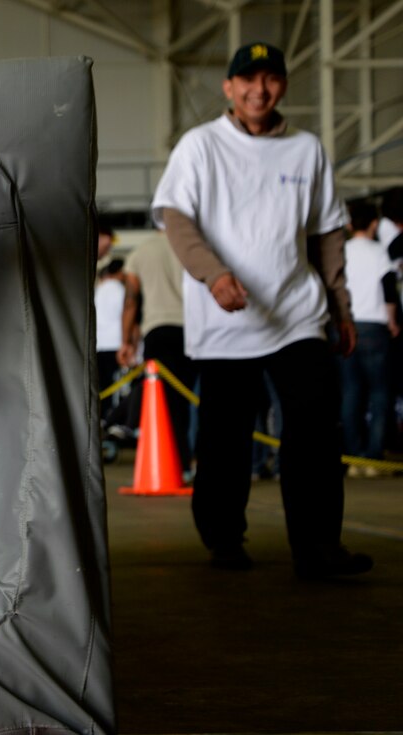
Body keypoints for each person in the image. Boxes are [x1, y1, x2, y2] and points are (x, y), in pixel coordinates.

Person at [152, 41, 372, 579]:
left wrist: (340, 307)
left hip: (298, 312)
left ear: (283, 86)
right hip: (227, 318)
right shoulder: (200, 146)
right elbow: (178, 220)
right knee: (225, 433)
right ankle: (224, 537)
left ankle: (319, 547)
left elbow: (326, 234)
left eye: (270, 78)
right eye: (247, 80)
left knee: (316, 422)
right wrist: (213, 273)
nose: (259, 89)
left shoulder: (306, 149)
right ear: (228, 87)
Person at [117, 230, 197, 475]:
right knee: (194, 401)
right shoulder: (191, 245)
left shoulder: (140, 253)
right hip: (195, 331)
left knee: (168, 404)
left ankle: (178, 464)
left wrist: (126, 342)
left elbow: (131, 301)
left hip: (159, 333)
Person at [340, 201, 398, 475]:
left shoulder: (341, 251)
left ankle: (353, 457)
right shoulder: (379, 252)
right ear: (374, 224)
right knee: (380, 393)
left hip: (345, 326)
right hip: (375, 328)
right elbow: (388, 290)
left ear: (349, 225)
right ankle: (374, 456)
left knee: (351, 393)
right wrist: (394, 321)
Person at [95, 258, 126, 423]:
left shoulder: (99, 290)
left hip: (99, 344)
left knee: (103, 386)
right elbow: (126, 316)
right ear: (120, 272)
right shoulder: (121, 290)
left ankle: (102, 421)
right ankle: (114, 421)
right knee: (116, 387)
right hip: (117, 343)